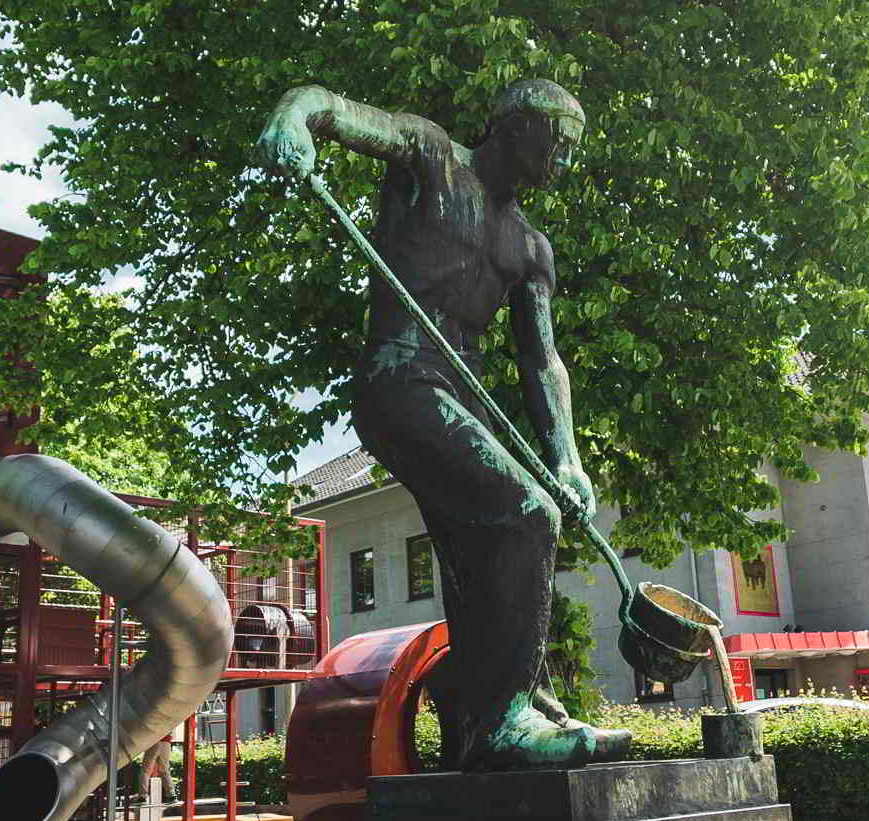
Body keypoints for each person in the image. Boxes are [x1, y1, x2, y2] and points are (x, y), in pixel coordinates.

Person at [257, 81, 631, 771]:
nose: (566, 164)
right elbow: (332, 108)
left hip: (463, 397)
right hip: (400, 379)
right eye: (561, 145)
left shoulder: (530, 246)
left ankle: (507, 715)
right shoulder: (432, 156)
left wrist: (568, 458)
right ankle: (503, 722)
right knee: (526, 514)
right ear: (519, 129)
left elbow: (540, 360)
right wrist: (293, 121)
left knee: (475, 557)